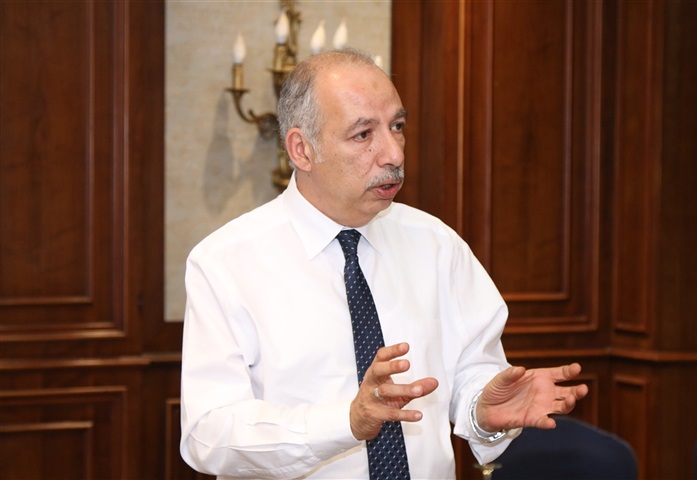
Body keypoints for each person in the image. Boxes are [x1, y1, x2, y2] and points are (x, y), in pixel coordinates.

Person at [180, 48, 588, 479]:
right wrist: (347, 423)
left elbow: (473, 371)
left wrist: (481, 410)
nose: (393, 153)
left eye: (397, 127)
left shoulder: (436, 244)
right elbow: (208, 434)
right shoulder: (224, 263)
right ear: (302, 150)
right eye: (363, 135)